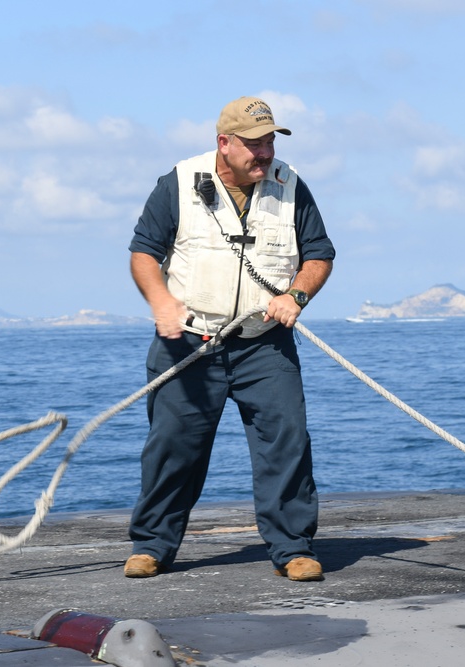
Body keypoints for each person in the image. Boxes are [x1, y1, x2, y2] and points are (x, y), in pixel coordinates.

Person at [124, 96, 335, 581]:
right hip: (190, 342)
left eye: (268, 144)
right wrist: (162, 303)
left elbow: (319, 254)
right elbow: (143, 253)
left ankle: (293, 548)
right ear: (224, 142)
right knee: (173, 445)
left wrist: (297, 296)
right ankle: (152, 544)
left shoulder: (290, 184)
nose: (264, 154)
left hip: (264, 342)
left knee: (286, 440)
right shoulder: (176, 183)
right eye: (254, 145)